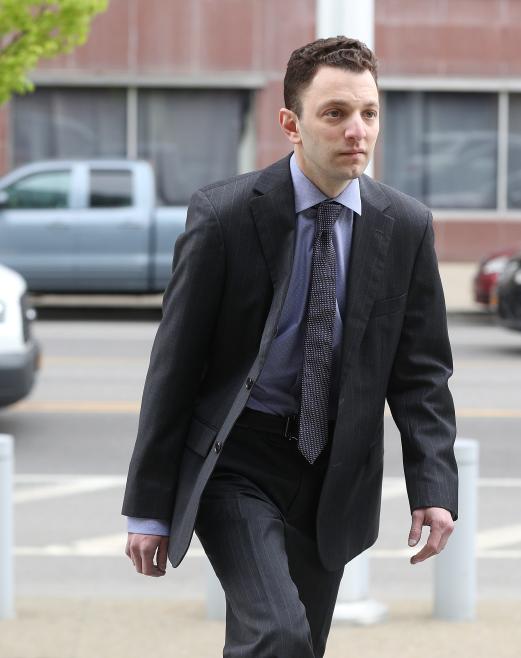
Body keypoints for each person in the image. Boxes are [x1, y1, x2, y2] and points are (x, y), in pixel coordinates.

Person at [121, 36, 457, 657]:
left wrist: (433, 487)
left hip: (335, 474)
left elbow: (421, 376)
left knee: (299, 644)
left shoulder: (405, 226)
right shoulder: (224, 216)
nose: (357, 130)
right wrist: (148, 508)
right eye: (335, 114)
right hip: (238, 462)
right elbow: (174, 366)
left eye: (369, 113)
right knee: (278, 634)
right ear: (291, 124)